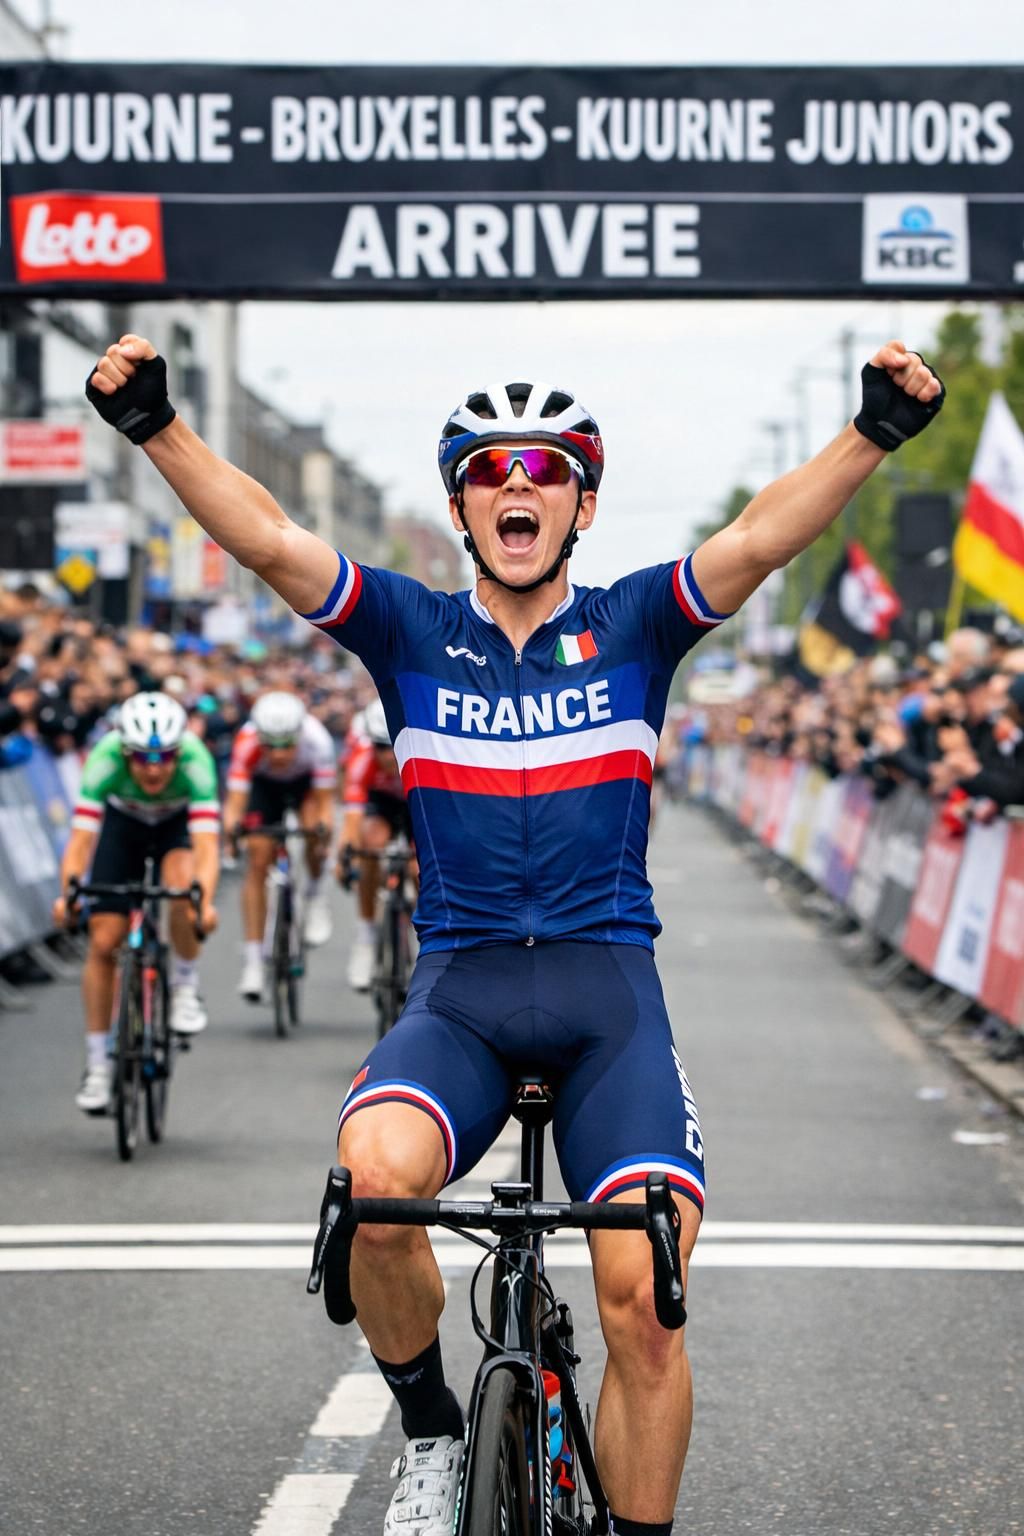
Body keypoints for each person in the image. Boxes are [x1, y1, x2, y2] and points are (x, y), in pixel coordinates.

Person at [86, 335, 944, 1536]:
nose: (517, 483)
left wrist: (871, 436)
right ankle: (435, 1435)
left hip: (608, 1006)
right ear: (462, 503)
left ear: (580, 502)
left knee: (642, 1296)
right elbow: (271, 539)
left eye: (545, 467)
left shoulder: (640, 624)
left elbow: (758, 538)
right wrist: (155, 428)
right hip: (461, 997)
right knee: (372, 1190)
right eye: (490, 468)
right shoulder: (407, 629)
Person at [53, 692, 220, 1115]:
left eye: (164, 756)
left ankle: (184, 987)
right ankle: (97, 1067)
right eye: (141, 757)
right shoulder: (103, 760)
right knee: (104, 941)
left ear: (178, 751)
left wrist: (206, 901)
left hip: (175, 826)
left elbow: (206, 848)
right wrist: (68, 893)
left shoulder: (197, 763)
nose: (153, 767)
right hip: (122, 825)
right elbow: (80, 841)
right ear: (123, 751)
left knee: (183, 888)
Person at [223, 690, 336, 1000]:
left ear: (299, 734)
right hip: (265, 788)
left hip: (305, 786)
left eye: (286, 744)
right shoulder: (245, 743)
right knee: (258, 859)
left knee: (315, 830)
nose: (278, 753)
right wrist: (233, 832)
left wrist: (323, 835)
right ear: (259, 736)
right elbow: (235, 802)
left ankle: (315, 897)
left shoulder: (318, 741)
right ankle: (253, 961)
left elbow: (326, 802)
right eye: (270, 744)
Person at [338, 697, 413, 991]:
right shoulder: (361, 761)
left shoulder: (425, 750)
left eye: (393, 744)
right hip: (380, 804)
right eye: (380, 747)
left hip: (414, 800)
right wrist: (346, 855)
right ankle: (366, 937)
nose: (387, 755)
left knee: (422, 868)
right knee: (369, 846)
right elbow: (352, 819)